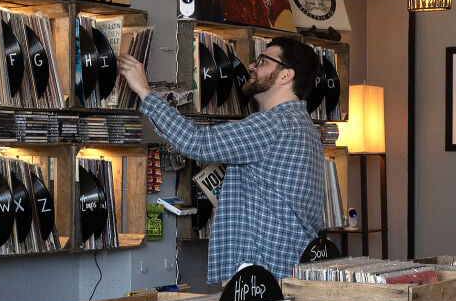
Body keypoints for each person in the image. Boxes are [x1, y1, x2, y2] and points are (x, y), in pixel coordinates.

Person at [117, 38, 324, 283]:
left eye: (263, 61)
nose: (251, 66)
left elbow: (196, 142)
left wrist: (144, 91)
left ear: (285, 75)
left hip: (261, 276)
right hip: (283, 271)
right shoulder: (304, 126)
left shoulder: (274, 125)